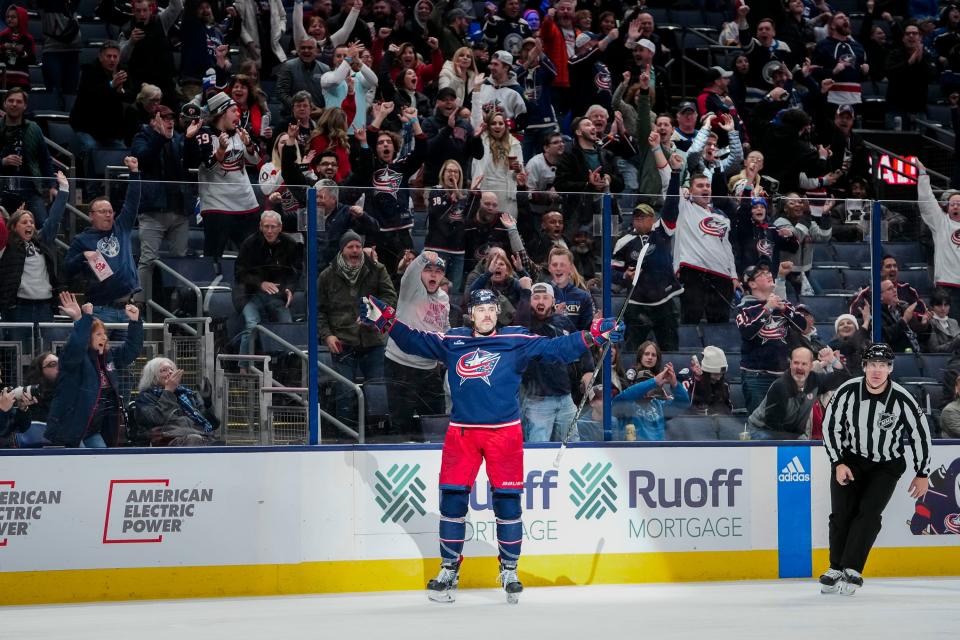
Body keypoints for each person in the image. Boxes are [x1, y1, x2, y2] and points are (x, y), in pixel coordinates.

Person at [358, 287, 624, 604]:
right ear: (471, 313)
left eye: (490, 309)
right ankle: (449, 569)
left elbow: (556, 349)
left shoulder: (516, 340)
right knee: (452, 502)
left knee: (508, 502)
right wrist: (386, 323)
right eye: (480, 309)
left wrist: (592, 335)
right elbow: (416, 340)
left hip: (504, 434)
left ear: (497, 313)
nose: (485, 314)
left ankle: (509, 569)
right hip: (462, 433)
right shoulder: (453, 341)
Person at [819, 343, 932, 595]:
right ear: (864, 367)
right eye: (872, 365)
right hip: (849, 461)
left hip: (886, 465)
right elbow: (830, 427)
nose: (877, 370)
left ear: (890, 369)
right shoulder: (847, 391)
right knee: (841, 514)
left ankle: (852, 568)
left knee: (868, 514)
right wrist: (838, 462)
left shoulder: (902, 398)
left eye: (882, 365)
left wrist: (922, 472)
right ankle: (836, 566)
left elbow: (920, 435)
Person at [317, 231, 397, 428]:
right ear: (342, 250)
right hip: (342, 341)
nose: (355, 250)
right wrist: (327, 335)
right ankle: (343, 433)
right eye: (350, 247)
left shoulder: (377, 269)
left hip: (373, 341)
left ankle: (378, 431)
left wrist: (373, 311)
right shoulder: (327, 275)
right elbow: (319, 310)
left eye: (358, 246)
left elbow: (391, 299)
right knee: (343, 391)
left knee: (377, 389)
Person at [44, 292, 144, 448]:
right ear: (87, 337)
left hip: (93, 431)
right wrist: (83, 319)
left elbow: (132, 350)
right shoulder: (74, 358)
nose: (104, 338)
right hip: (70, 430)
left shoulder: (108, 357)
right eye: (98, 334)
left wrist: (135, 322)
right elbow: (76, 346)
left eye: (104, 334)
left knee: (103, 463)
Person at [661, 152, 740, 324]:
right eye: (700, 186)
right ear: (690, 190)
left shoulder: (722, 216)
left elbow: (727, 249)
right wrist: (675, 172)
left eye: (707, 185)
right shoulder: (684, 207)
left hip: (722, 276)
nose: (705, 189)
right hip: (692, 271)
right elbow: (669, 186)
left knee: (720, 324)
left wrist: (733, 275)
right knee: (691, 318)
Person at [183, 92, 261, 263]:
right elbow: (205, 167)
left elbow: (256, 160)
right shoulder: (204, 134)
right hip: (217, 205)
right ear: (221, 112)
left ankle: (250, 289)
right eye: (234, 111)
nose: (238, 114)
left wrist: (248, 144)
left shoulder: (240, 132)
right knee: (213, 257)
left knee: (253, 256)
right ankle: (213, 289)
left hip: (245, 203)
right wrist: (220, 152)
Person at [64, 156, 142, 323]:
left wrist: (134, 173)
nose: (108, 214)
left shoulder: (121, 227)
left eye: (110, 211)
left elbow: (132, 202)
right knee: (98, 350)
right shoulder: (82, 239)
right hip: (100, 309)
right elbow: (67, 270)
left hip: (128, 308)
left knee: (128, 349)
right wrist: (82, 256)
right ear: (91, 215)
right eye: (102, 211)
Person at [515, 281, 594, 442]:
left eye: (545, 297)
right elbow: (519, 324)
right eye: (536, 297)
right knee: (538, 448)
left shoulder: (562, 322)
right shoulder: (525, 325)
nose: (540, 301)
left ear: (553, 301)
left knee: (573, 445)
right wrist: (524, 293)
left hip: (565, 398)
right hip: (537, 401)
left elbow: (579, 344)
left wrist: (587, 370)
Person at [385, 251, 450, 439]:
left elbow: (444, 327)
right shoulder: (411, 289)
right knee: (401, 421)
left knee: (436, 419)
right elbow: (409, 274)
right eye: (428, 270)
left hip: (429, 368)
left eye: (438, 271)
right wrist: (422, 258)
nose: (433, 274)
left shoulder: (443, 298)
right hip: (399, 365)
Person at [132, 106, 189, 307]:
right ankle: (139, 305)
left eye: (172, 118)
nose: (170, 122)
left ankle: (178, 303)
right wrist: (159, 136)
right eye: (164, 118)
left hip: (178, 209)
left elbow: (184, 165)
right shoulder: (141, 137)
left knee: (181, 260)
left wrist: (184, 140)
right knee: (148, 260)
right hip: (153, 210)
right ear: (153, 120)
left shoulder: (177, 139)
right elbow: (143, 159)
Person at [0, 171, 70, 332]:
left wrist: (64, 188)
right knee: (19, 354)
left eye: (31, 222)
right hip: (18, 308)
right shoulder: (7, 245)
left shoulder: (42, 242)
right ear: (13, 227)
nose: (30, 225)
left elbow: (54, 218)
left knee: (45, 354)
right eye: (24, 222)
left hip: (44, 307)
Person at [737, 262, 807, 414]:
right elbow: (748, 333)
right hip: (756, 376)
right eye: (761, 274)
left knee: (784, 422)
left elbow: (803, 326)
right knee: (759, 423)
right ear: (752, 284)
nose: (769, 275)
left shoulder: (783, 304)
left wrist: (785, 309)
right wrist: (768, 308)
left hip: (783, 375)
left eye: (768, 272)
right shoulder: (745, 309)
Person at [613, 203, 683, 352]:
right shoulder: (623, 241)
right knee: (633, 350)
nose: (639, 220)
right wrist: (624, 275)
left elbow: (671, 209)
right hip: (636, 302)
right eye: (636, 217)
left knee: (670, 349)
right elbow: (612, 273)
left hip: (664, 301)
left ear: (652, 219)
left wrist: (675, 178)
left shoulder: (662, 233)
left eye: (643, 217)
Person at [233, 211, 303, 359]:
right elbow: (239, 273)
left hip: (276, 295)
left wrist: (290, 289)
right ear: (260, 226)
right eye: (266, 227)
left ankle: (285, 362)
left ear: (280, 227)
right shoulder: (249, 243)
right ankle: (244, 367)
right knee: (252, 325)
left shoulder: (290, 244)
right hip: (248, 295)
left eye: (273, 227)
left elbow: (295, 272)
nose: (269, 231)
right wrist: (260, 283)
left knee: (286, 323)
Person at [746, 346, 847, 439]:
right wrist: (797, 438)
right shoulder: (780, 387)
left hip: (789, 432)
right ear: (790, 364)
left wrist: (832, 360)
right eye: (796, 363)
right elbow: (773, 426)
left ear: (811, 366)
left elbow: (845, 379)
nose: (799, 367)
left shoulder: (815, 380)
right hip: (761, 429)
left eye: (804, 364)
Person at [70, 41, 131, 192]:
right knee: (92, 149)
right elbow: (91, 95)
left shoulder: (123, 71)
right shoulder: (89, 70)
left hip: (110, 131)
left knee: (124, 153)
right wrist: (111, 85)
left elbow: (131, 96)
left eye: (115, 57)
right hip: (86, 126)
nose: (112, 60)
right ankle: (92, 191)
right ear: (100, 57)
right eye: (108, 56)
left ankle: (119, 192)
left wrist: (120, 91)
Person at [0, 88, 57, 224]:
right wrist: (3, 161)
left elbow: (45, 160)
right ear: (4, 104)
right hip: (1, 189)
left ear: (25, 106)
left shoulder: (34, 129)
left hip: (29, 190)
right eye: (11, 101)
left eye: (19, 101)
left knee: (43, 225)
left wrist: (52, 186)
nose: (14, 104)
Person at [133, 357, 217, 446]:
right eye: (164, 370)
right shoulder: (145, 397)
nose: (170, 372)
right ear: (152, 376)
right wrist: (168, 391)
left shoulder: (187, 395)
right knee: (194, 440)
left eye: (172, 370)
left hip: (199, 436)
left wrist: (207, 402)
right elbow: (157, 419)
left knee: (215, 443)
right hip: (166, 442)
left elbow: (213, 425)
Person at [614, 362, 689, 441]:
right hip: (635, 450)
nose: (646, 389)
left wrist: (675, 384)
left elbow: (683, 403)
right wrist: (654, 381)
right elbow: (620, 399)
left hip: (658, 450)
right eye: (643, 384)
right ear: (636, 386)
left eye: (650, 385)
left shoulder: (659, 404)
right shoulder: (625, 404)